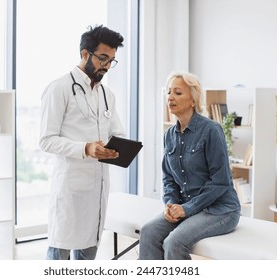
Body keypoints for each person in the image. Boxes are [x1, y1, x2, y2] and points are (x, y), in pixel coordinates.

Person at [39, 25, 125, 260]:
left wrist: (120, 148)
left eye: (111, 61)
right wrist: (85, 148)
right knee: (59, 257)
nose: (107, 66)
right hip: (71, 189)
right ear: (85, 54)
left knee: (88, 258)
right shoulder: (59, 88)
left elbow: (117, 133)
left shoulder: (107, 95)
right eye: (103, 58)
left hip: (97, 190)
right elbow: (46, 140)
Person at [139, 71, 241, 260]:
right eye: (169, 92)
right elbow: (168, 178)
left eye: (178, 93)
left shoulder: (211, 130)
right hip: (186, 207)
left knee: (174, 242)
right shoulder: (169, 135)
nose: (170, 97)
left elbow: (220, 182)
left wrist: (188, 209)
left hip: (220, 209)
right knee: (148, 232)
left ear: (193, 100)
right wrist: (170, 204)